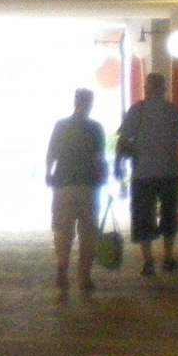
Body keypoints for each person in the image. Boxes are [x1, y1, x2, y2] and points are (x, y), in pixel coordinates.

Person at [115, 71, 178, 276]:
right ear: (164, 88)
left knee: (143, 216)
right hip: (169, 171)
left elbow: (123, 140)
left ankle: (148, 261)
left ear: (147, 88)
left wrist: (118, 165)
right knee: (169, 215)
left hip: (143, 173)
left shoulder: (137, 110)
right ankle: (168, 258)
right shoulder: (173, 111)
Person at [45, 88, 107, 298]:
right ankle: (84, 277)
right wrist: (104, 177)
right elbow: (99, 158)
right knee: (88, 232)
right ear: (90, 103)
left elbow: (51, 153)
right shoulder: (96, 128)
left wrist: (48, 173)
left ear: (75, 102)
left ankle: (63, 266)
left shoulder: (61, 126)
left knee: (63, 229)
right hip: (88, 185)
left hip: (64, 184)